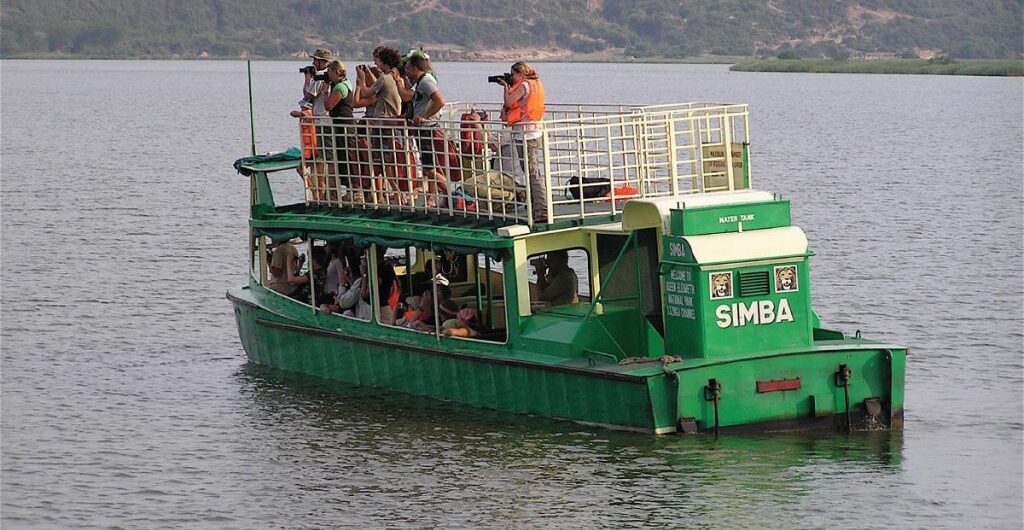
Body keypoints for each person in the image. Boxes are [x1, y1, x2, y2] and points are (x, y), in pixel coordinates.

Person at [353, 47, 405, 203]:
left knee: (382, 162)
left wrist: (361, 79)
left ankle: (396, 194)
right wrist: (368, 74)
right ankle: (396, 193)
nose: (375, 62)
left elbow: (367, 92)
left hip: (382, 125)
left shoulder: (384, 79)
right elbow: (379, 87)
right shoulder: (396, 78)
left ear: (384, 62)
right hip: (393, 124)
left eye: (377, 60)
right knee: (392, 160)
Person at [498, 61, 547, 223]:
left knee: (533, 173)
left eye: (512, 75)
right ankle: (536, 207)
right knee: (531, 171)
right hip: (532, 131)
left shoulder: (525, 84)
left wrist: (506, 87)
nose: (511, 77)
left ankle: (542, 209)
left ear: (520, 73)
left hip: (526, 134)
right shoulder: (535, 83)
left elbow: (509, 101)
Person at [401, 50, 447, 207]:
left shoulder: (426, 81)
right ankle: (443, 196)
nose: (405, 71)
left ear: (415, 68)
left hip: (427, 128)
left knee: (429, 169)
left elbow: (440, 101)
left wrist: (425, 116)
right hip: (422, 128)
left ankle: (450, 193)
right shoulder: (420, 82)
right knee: (430, 166)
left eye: (407, 68)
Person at [290, 49, 334, 199]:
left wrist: (307, 77)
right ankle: (319, 193)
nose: (313, 63)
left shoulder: (321, 77)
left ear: (323, 62)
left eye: (316, 60)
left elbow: (307, 94)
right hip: (322, 120)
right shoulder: (328, 76)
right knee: (319, 160)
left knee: (319, 160)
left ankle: (319, 194)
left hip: (321, 121)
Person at [323, 60, 356, 198]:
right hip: (344, 125)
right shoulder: (345, 84)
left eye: (329, 72)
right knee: (346, 157)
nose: (328, 75)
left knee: (345, 157)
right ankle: (351, 189)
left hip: (343, 126)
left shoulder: (340, 87)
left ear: (336, 72)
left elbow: (328, 106)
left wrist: (325, 92)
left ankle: (351, 189)